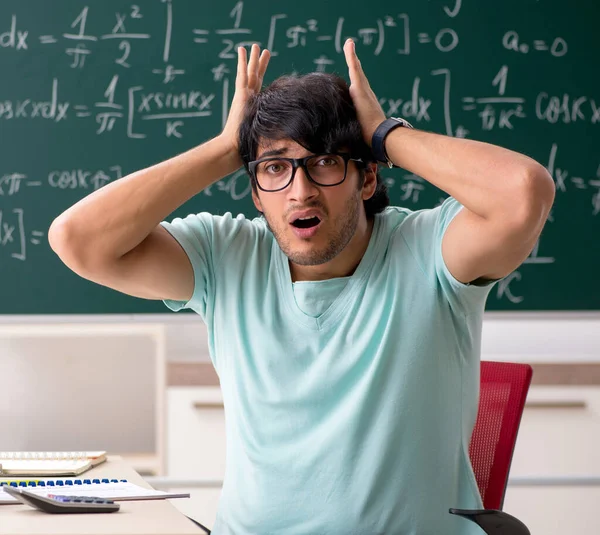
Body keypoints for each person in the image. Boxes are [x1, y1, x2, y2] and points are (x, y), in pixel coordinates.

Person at [49, 39, 554, 535]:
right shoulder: (225, 256)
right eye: (275, 168)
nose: (301, 190)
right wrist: (229, 146)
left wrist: (381, 133)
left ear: (367, 178)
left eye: (326, 162)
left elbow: (523, 192)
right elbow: (78, 240)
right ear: (255, 191)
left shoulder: (430, 251)